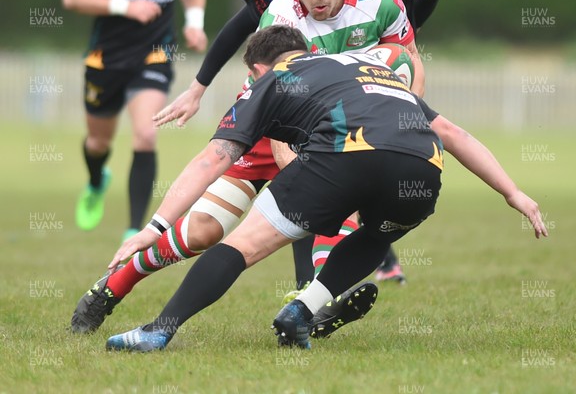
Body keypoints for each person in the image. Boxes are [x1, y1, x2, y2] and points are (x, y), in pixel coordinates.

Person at [89, 25, 547, 352]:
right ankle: (304, 309)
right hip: (422, 171)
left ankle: (158, 330)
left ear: (260, 67)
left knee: (243, 245)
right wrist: (515, 194)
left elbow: (215, 158)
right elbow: (455, 134)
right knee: (377, 234)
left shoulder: (270, 80)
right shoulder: (373, 71)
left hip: (344, 157)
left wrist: (157, 224)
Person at [70, 0, 427, 335]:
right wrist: (299, 166)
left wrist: (402, 121)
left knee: (338, 204)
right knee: (202, 231)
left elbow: (410, 60)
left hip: (333, 127)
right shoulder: (281, 18)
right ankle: (110, 288)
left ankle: (312, 304)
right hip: (266, 129)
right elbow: (277, 116)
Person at [61, 0, 208, 241]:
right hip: (105, 58)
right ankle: (96, 182)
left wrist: (194, 22)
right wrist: (124, 5)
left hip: (154, 54)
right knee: (98, 142)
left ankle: (133, 230)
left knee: (145, 134)